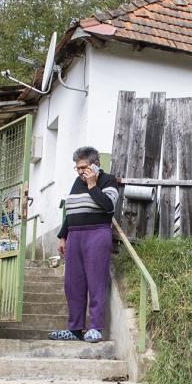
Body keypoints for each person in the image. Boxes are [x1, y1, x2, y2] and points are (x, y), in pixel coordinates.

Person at [48, 146, 121, 344]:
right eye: (77, 168)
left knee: (96, 282)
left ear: (96, 164)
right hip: (75, 236)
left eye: (83, 167)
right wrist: (63, 236)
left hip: (97, 234)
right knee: (73, 284)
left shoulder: (108, 180)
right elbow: (71, 211)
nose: (80, 172)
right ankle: (75, 329)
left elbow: (108, 207)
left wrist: (92, 185)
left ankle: (95, 328)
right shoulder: (76, 183)